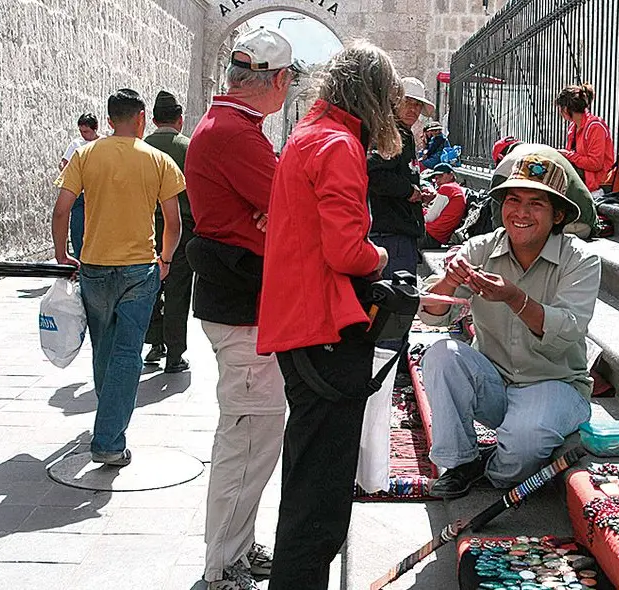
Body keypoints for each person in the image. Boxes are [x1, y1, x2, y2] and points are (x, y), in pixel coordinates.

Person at [256, 41, 402, 590]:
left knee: (307, 478)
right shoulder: (338, 144)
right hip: (325, 331)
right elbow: (346, 251)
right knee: (320, 493)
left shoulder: (308, 134)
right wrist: (379, 256)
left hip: (302, 325)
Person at [184, 26, 304, 590]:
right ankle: (223, 565)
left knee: (253, 436)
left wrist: (276, 212)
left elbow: (283, 207)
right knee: (249, 438)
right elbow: (298, 207)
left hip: (239, 297)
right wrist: (279, 212)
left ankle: (236, 546)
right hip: (243, 305)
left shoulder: (229, 127)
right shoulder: (236, 134)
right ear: (278, 81)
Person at [418, 153, 600, 499]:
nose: (521, 213)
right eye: (513, 201)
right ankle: (460, 462)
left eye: (536, 204)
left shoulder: (580, 259)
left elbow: (568, 331)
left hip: (556, 385)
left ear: (557, 215)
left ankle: (492, 468)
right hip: (497, 385)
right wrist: (449, 280)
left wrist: (516, 298)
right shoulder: (481, 248)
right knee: (442, 355)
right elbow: (432, 313)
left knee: (522, 447)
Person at [52, 88, 184, 467]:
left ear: (109, 120)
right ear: (142, 118)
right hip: (140, 268)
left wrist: (62, 254)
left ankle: (107, 418)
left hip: (94, 266)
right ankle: (109, 438)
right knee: (127, 352)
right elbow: (172, 221)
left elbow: (61, 210)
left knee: (104, 347)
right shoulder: (158, 160)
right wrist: (166, 259)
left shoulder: (85, 155)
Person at [366, 75, 431, 387]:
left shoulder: (398, 133)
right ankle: (388, 365)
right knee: (397, 302)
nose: (414, 110)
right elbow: (374, 175)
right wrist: (410, 192)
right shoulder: (391, 133)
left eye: (418, 105)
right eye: (409, 103)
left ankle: (391, 361)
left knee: (398, 301)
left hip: (397, 230)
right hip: (391, 233)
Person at [142, 91, 194, 373]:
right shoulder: (188, 148)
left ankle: (154, 342)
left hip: (148, 227)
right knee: (178, 290)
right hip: (182, 228)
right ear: (180, 120)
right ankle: (175, 354)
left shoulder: (142, 148)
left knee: (151, 284)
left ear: (153, 120)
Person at [491, 136, 598, 239]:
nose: (522, 213)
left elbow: (498, 219)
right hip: (587, 221)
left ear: (500, 157)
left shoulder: (506, 164)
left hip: (568, 225)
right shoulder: (545, 150)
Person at [555, 83, 615, 197]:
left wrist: (568, 155)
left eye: (560, 108)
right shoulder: (573, 127)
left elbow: (595, 164)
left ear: (566, 109)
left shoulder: (595, 126)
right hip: (581, 181)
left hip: (597, 186)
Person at [59, 113, 102, 258]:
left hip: (98, 193)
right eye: (81, 131)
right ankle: (78, 257)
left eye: (86, 131)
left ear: (95, 129)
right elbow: (63, 163)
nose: (83, 135)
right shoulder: (76, 144)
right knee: (77, 227)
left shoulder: (104, 143)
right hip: (79, 194)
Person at [420, 162, 467, 249]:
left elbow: (430, 217)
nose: (437, 180)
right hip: (438, 237)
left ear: (451, 175)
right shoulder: (456, 188)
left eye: (440, 176)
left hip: (431, 235)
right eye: (435, 178)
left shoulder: (447, 188)